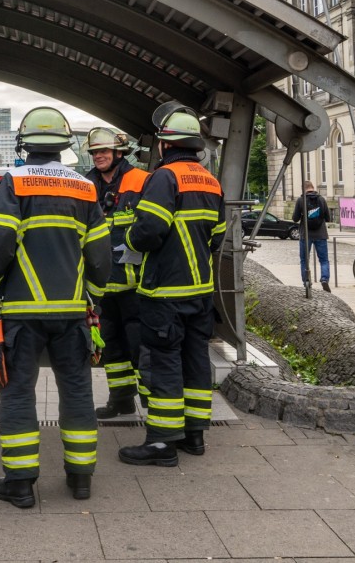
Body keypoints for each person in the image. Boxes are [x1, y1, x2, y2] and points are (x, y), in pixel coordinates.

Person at [0, 108, 111, 508]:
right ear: (64, 146)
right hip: (72, 314)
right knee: (77, 390)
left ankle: (19, 484)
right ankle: (81, 477)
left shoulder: (14, 181)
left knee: (17, 393)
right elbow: (101, 257)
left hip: (21, 313)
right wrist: (91, 296)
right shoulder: (85, 188)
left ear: (25, 143)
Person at [118, 107, 223, 467]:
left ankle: (162, 443)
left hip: (164, 293)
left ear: (163, 144)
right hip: (200, 292)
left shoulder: (163, 178)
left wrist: (129, 236)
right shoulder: (210, 180)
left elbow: (149, 232)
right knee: (195, 361)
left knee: (163, 364)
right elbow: (218, 236)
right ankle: (194, 435)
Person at [82, 127, 148, 419]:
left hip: (136, 285)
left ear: (119, 152)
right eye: (95, 152)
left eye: (104, 151)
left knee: (140, 348)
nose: (99, 156)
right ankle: (120, 400)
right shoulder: (85, 185)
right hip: (102, 285)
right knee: (111, 347)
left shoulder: (142, 181)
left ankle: (152, 404)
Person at [292, 180, 330, 292]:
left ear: (303, 189)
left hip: (305, 235)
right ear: (313, 187)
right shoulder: (321, 199)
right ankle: (324, 279)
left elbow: (295, 218)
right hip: (321, 234)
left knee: (304, 259)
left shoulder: (300, 200)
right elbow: (328, 218)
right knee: (324, 260)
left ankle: (306, 281)